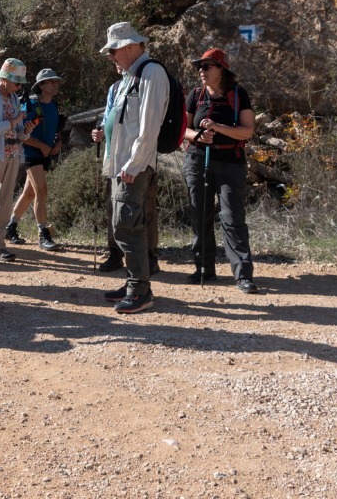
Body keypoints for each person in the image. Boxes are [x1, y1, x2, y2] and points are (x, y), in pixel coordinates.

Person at [99, 22, 168, 314]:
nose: (111, 56)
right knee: (124, 225)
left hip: (133, 167)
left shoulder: (151, 73)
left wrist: (134, 164)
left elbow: (149, 126)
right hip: (123, 166)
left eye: (113, 50)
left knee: (127, 225)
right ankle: (133, 283)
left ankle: (140, 290)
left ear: (129, 46)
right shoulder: (131, 75)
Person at [182, 48, 258, 293]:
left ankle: (243, 275)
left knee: (232, 217)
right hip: (197, 160)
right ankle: (203, 268)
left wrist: (217, 127)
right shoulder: (195, 95)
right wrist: (199, 136)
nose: (201, 71)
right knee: (199, 215)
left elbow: (247, 131)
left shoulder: (238, 95)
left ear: (221, 69)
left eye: (207, 66)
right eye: (199, 67)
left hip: (230, 162)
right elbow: (183, 129)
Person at [0, 59, 36, 265]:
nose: (19, 87)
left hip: (13, 153)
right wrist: (13, 122)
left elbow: (20, 133)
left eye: (20, 83)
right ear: (4, 79)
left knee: (5, 198)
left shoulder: (14, 98)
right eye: (17, 82)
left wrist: (26, 130)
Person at [7, 68, 64, 251]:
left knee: (30, 193)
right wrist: (41, 146)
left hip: (45, 153)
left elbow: (57, 130)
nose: (55, 85)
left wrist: (59, 143)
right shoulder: (30, 104)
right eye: (51, 82)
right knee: (41, 190)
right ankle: (43, 234)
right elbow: (22, 133)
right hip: (31, 152)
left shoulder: (54, 105)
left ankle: (11, 226)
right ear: (41, 85)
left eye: (56, 82)